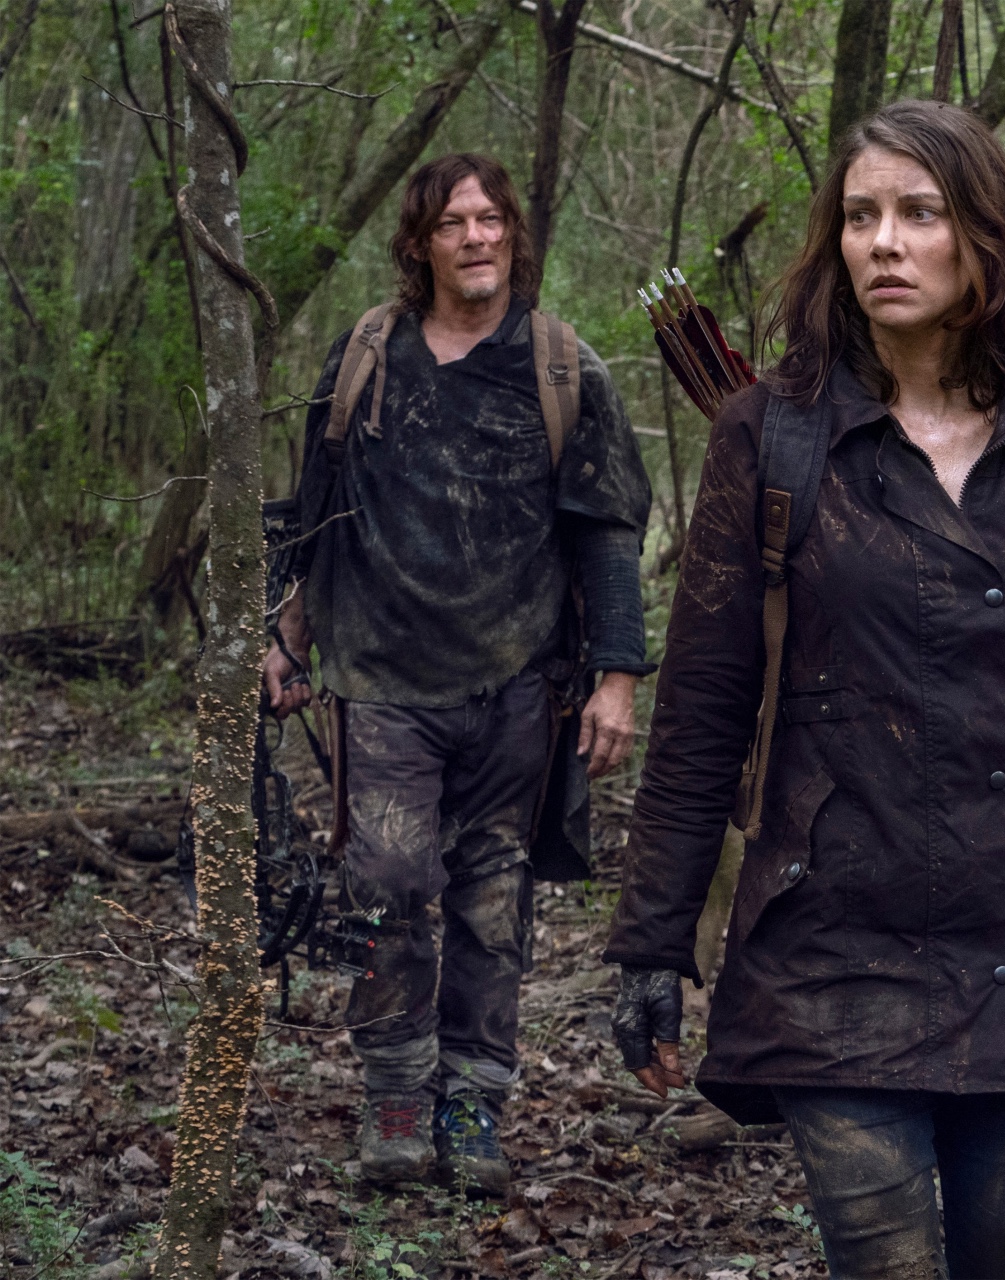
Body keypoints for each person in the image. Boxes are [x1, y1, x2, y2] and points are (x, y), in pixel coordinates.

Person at [602, 101, 1005, 1278]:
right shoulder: (770, 439)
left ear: (985, 236)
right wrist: (652, 943)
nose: (882, 241)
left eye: (919, 213)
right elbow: (702, 712)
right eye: (860, 215)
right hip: (831, 941)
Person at [263, 153, 653, 1197]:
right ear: (420, 243)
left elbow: (610, 533)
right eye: (452, 223)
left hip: (517, 686)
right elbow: (316, 512)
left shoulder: (564, 369)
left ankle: (473, 1096)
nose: (475, 237)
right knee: (386, 883)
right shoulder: (366, 356)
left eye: (490, 220)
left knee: (492, 901)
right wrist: (288, 636)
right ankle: (396, 1087)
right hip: (382, 682)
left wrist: (617, 677)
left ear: (513, 234)